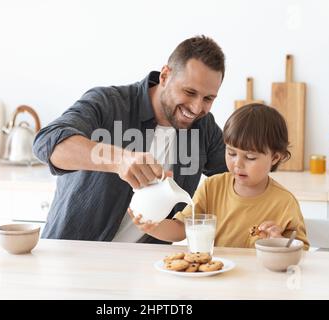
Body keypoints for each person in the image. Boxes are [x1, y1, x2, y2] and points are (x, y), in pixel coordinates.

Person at [33, 35, 228, 242]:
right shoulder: (109, 104)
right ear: (165, 76)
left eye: (208, 99)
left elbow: (240, 178)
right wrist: (119, 160)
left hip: (144, 268)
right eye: (189, 92)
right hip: (74, 259)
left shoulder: (203, 128)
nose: (197, 108)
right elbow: (47, 142)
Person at [129, 103, 310, 249]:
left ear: (275, 157)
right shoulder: (212, 187)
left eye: (250, 157)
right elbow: (181, 229)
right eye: (231, 153)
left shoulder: (285, 203)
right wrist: (152, 226)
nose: (237, 164)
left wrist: (278, 242)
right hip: (219, 280)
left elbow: (301, 252)